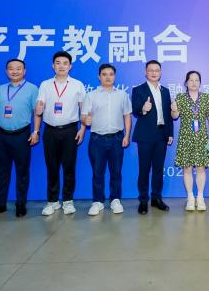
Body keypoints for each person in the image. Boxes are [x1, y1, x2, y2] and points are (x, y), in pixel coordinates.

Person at [0, 58, 39, 219]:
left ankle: (21, 204)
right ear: (6, 71)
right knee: (1, 172)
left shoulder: (32, 89)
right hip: (1, 136)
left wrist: (36, 132)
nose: (15, 71)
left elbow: (37, 112)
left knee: (22, 172)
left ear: (24, 71)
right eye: (11, 68)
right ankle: (0, 204)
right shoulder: (0, 89)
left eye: (18, 68)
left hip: (22, 135)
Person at [34, 51, 87, 216]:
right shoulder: (45, 85)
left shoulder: (77, 84)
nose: (61, 66)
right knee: (52, 167)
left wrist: (83, 129)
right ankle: (52, 201)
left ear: (70, 66)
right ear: (53, 66)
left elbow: (84, 109)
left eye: (65, 63)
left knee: (69, 167)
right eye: (58, 63)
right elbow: (39, 106)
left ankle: (68, 201)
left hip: (70, 130)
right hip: (50, 130)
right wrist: (38, 109)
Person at [81, 64, 132, 216]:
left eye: (111, 74)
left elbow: (127, 116)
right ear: (99, 76)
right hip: (97, 139)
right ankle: (98, 201)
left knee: (116, 172)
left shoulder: (122, 95)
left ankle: (115, 200)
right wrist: (85, 120)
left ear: (114, 76)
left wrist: (127, 135)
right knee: (98, 172)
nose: (108, 77)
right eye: (104, 74)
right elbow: (83, 115)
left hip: (117, 138)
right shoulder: (91, 95)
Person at [131, 60, 174, 215]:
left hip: (161, 135)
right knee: (144, 169)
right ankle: (143, 200)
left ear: (160, 72)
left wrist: (170, 133)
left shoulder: (165, 91)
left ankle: (156, 198)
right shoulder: (138, 90)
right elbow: (135, 110)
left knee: (158, 169)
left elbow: (168, 114)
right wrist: (143, 109)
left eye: (157, 70)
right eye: (151, 70)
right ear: (146, 72)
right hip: (145, 136)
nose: (154, 73)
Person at [171, 71, 209, 212]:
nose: (194, 83)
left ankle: (200, 197)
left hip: (203, 138)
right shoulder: (180, 97)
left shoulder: (207, 98)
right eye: (191, 80)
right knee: (187, 168)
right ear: (186, 83)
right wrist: (174, 110)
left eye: (197, 80)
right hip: (186, 137)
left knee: (201, 168)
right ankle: (190, 197)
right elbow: (175, 116)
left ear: (200, 82)